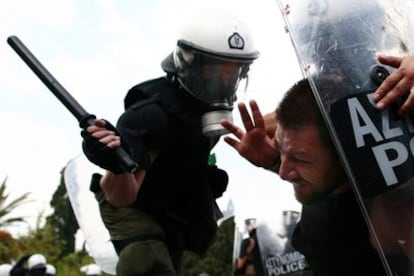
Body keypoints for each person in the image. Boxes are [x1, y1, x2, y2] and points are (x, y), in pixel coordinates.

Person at [81, 9, 259, 276]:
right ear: (187, 63)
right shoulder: (153, 115)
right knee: (147, 258)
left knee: (174, 256)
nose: (223, 83)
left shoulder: (205, 116)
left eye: (232, 73)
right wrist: (116, 163)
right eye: (214, 71)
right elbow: (120, 196)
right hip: (131, 202)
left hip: (166, 200)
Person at [221, 78, 392, 275]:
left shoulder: (391, 204)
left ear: (345, 152)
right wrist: (273, 162)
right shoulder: (317, 216)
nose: (283, 174)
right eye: (281, 150)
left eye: (300, 159)